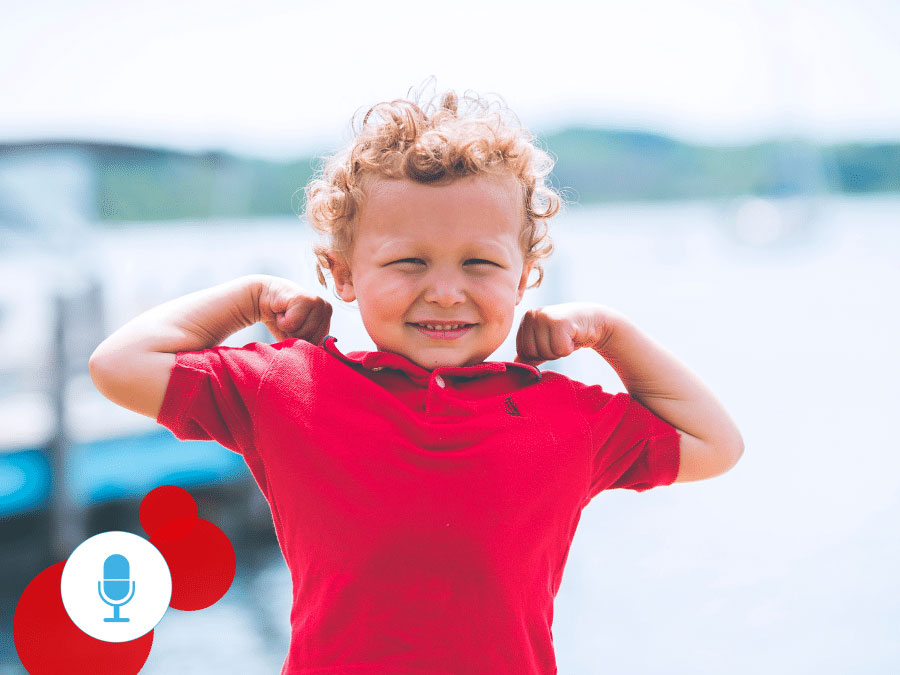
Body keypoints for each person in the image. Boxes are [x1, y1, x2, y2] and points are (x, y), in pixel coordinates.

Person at [89, 85, 744, 675]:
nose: (445, 290)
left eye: (480, 263)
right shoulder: (289, 386)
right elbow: (118, 366)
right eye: (408, 261)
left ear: (523, 278)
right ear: (343, 274)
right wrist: (247, 299)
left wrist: (609, 331)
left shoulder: (564, 415)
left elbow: (718, 444)